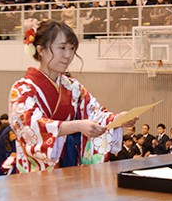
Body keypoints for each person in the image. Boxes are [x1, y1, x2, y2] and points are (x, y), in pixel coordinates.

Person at [9, 20, 136, 173]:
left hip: (70, 164)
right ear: (40, 50)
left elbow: (95, 113)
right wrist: (76, 126)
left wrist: (118, 119)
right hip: (38, 171)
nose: (68, 55)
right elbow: (30, 126)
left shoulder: (73, 87)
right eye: (62, 48)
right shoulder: (22, 89)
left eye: (72, 48)